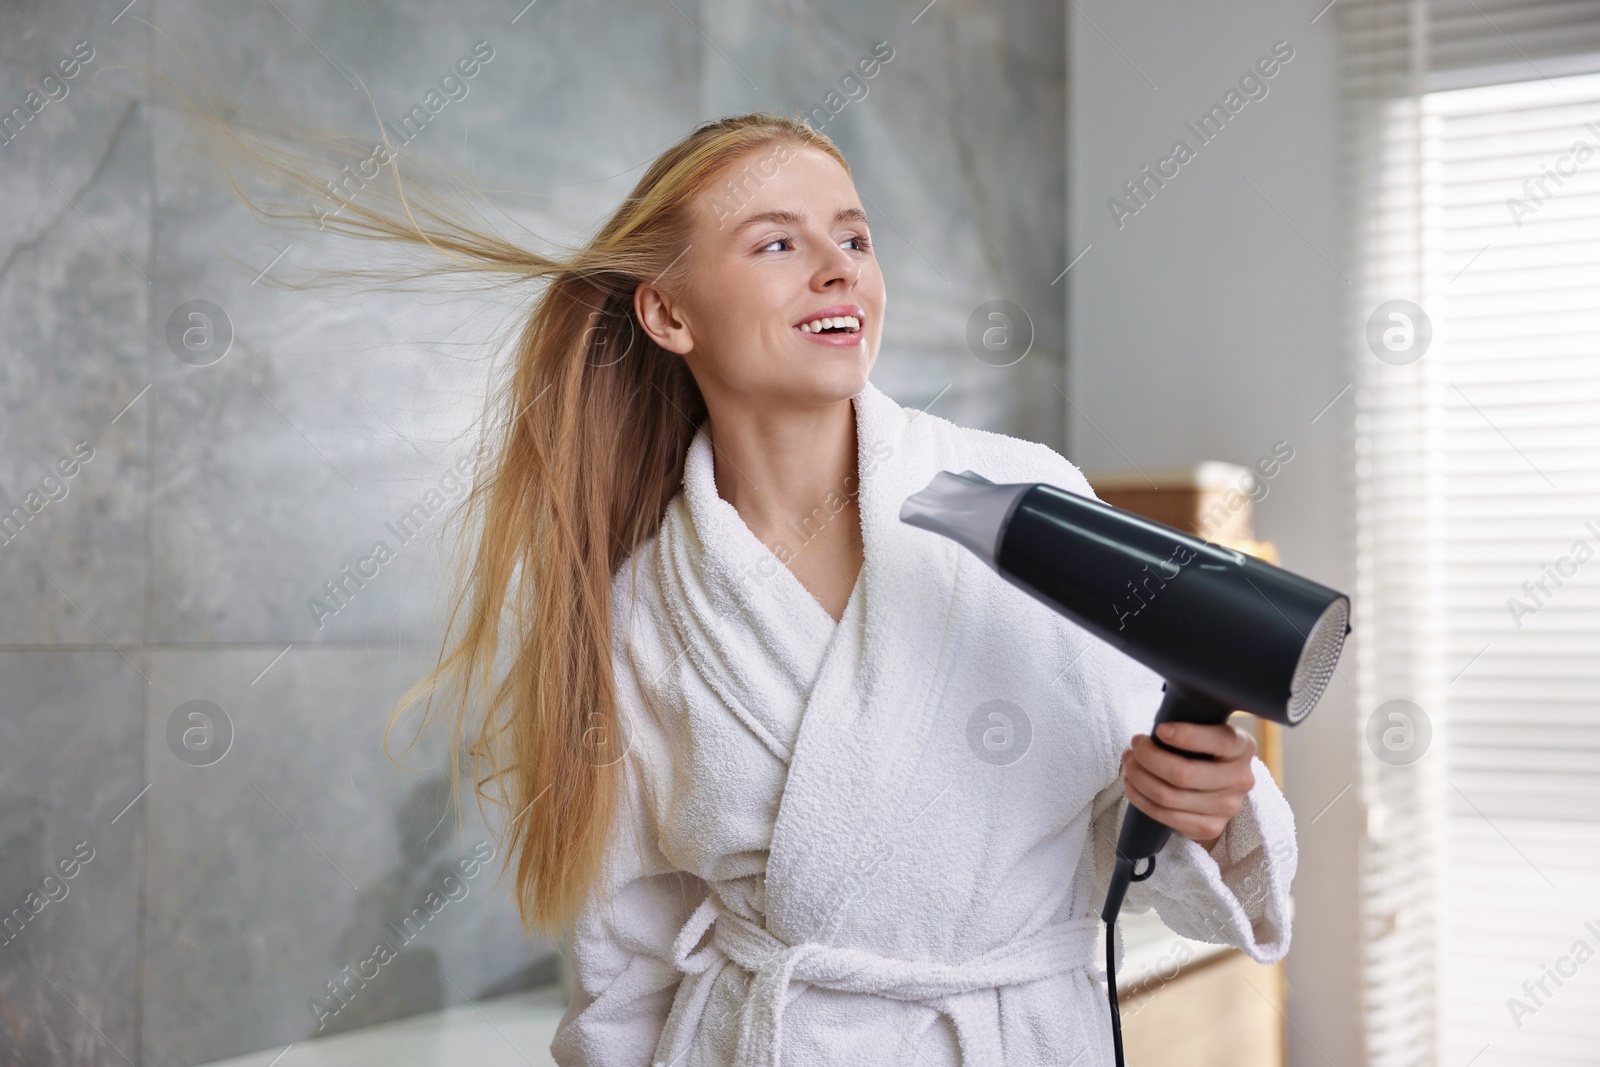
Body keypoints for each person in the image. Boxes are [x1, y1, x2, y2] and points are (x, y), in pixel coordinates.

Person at [208, 107, 1295, 1064]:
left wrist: (1209, 804)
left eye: (853, 237)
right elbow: (626, 954)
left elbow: (1125, 809)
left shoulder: (1025, 498)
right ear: (669, 314)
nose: (838, 269)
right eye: (777, 241)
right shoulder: (642, 611)